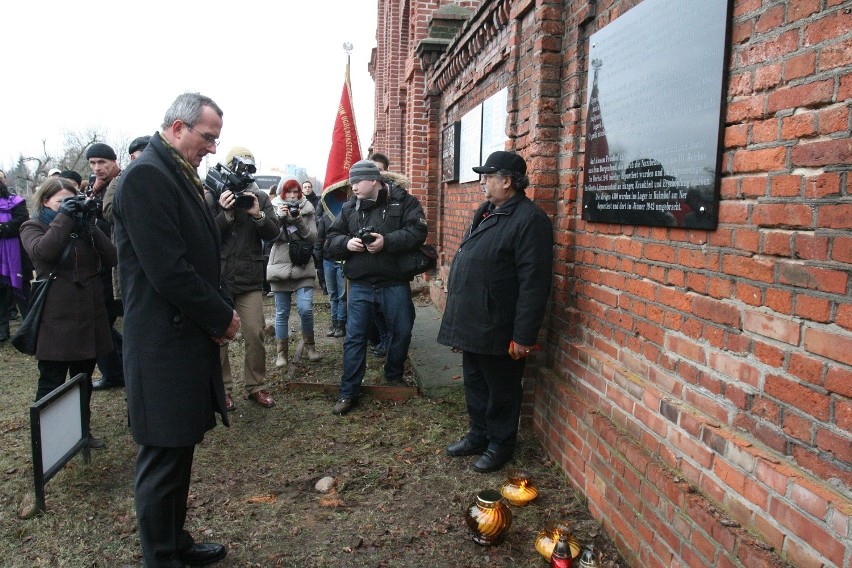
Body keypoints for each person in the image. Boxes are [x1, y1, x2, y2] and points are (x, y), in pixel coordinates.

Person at [113, 92, 239, 567]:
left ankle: (173, 542)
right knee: (163, 458)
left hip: (181, 337)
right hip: (162, 343)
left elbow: (203, 252)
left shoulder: (173, 172)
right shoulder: (146, 176)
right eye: (207, 137)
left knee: (179, 449)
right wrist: (220, 316)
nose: (211, 148)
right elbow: (169, 270)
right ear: (177, 127)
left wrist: (217, 305)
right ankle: (160, 558)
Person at [438, 151, 553, 473]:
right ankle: (478, 434)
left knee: (501, 388)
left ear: (508, 181)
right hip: (474, 318)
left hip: (500, 324)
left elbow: (535, 282)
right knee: (475, 381)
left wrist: (523, 336)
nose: (482, 183)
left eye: (488, 177)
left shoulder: (530, 220)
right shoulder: (489, 211)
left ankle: (500, 443)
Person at [20, 177, 117, 448]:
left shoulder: (82, 228)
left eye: (71, 200)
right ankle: (46, 442)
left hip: (88, 316)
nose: (68, 206)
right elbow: (43, 252)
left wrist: (89, 225)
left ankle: (80, 434)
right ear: (45, 201)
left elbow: (112, 257)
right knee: (51, 380)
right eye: (62, 201)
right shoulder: (32, 226)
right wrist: (63, 218)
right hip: (55, 320)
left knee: (82, 381)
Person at [324, 160, 427, 416]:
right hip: (360, 284)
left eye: (357, 181)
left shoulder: (404, 201)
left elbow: (418, 232)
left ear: (373, 180)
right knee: (355, 338)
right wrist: (347, 244)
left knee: (401, 330)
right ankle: (349, 391)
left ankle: (393, 375)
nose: (353, 187)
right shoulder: (349, 208)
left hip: (394, 281)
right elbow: (330, 240)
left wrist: (387, 242)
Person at [205, 146, 279, 410]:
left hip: (249, 278)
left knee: (255, 334)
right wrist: (224, 213)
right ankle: (223, 390)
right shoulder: (212, 196)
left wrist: (258, 215)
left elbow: (273, 233)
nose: (245, 174)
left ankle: (256, 386)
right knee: (221, 337)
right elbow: (204, 236)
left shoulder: (258, 196)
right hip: (221, 278)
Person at [84, 143, 125, 391]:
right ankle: (114, 372)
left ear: (113, 161)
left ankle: (116, 372)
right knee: (100, 324)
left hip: (116, 266)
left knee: (103, 324)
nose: (97, 168)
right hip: (100, 267)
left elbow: (114, 220)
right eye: (92, 163)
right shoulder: (96, 188)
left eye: (102, 162)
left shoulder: (120, 183)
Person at [267, 178, 320, 368]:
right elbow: (271, 238)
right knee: (281, 312)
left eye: (295, 192)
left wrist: (297, 220)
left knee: (305, 309)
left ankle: (311, 346)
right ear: (282, 194)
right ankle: (281, 353)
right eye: (288, 192)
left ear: (300, 193)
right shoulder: (272, 208)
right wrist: (280, 219)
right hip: (279, 265)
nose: (292, 196)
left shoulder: (308, 209)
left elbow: (313, 237)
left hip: (302, 264)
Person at [0, 170, 29, 341]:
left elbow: (22, 221)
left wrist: (2, 229)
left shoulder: (16, 202)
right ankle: (2, 332)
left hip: (17, 256)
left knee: (23, 293)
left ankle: (31, 329)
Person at [315, 207, 346, 338]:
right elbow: (319, 239)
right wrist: (318, 261)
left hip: (342, 260)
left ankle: (341, 324)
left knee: (342, 295)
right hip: (327, 260)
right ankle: (334, 323)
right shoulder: (325, 218)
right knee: (332, 294)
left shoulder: (346, 214)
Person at [302, 180, 327, 295]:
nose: (307, 189)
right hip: (304, 234)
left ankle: (323, 283)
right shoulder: (300, 202)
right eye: (305, 187)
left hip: (318, 232)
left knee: (318, 257)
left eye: (309, 187)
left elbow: (319, 215)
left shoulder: (318, 200)